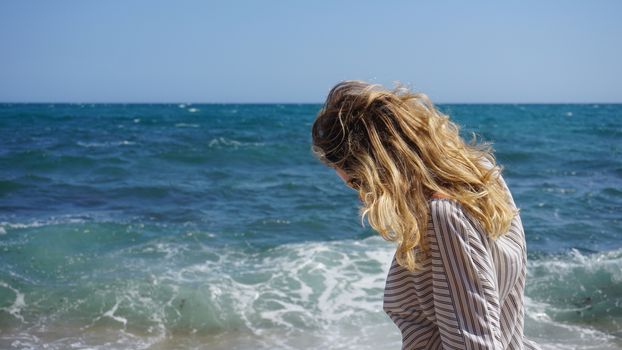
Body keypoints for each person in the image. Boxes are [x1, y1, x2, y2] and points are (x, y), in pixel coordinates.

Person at [311, 80, 542, 350]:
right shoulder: (484, 178)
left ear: (382, 166)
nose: (364, 196)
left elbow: (474, 343)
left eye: (359, 183)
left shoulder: (444, 216)